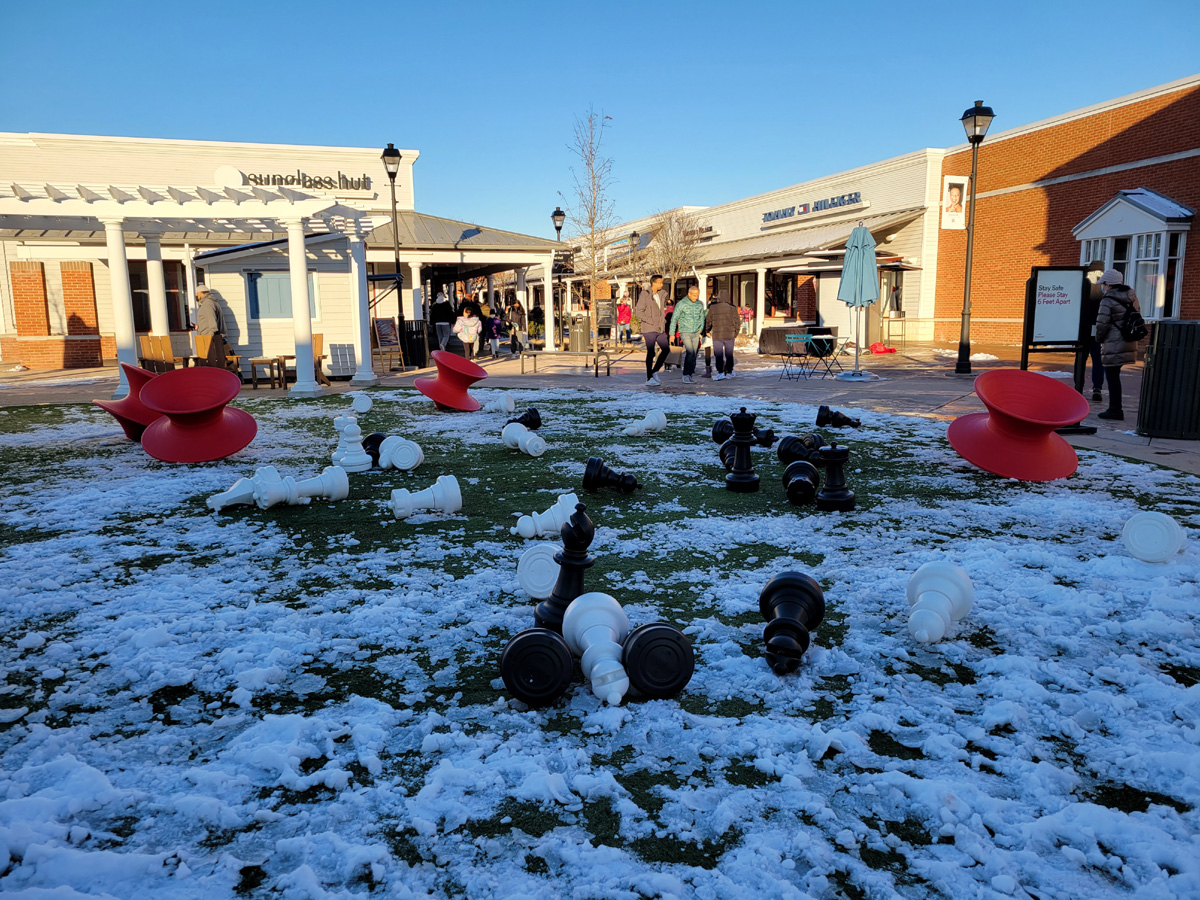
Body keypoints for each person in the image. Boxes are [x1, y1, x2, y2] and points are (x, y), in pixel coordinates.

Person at [1093, 269, 1141, 421]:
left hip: (1113, 342)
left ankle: (1115, 409)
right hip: (1128, 340)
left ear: (1108, 284)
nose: (1102, 287)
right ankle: (1115, 408)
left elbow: (1101, 324)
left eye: (1103, 284)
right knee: (1115, 375)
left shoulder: (1107, 300)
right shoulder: (1132, 297)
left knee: (1112, 376)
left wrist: (1099, 339)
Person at [636, 275, 670, 387]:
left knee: (666, 349)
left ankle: (654, 371)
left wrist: (662, 322)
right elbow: (639, 312)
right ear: (653, 283)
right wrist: (650, 320)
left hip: (660, 328)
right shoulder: (645, 295)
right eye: (660, 282)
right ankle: (649, 377)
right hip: (649, 328)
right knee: (651, 352)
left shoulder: (661, 295)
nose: (662, 284)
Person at [668, 284, 706, 384]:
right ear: (689, 294)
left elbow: (702, 317)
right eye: (694, 295)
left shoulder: (699, 304)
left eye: (697, 295)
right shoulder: (681, 304)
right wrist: (672, 334)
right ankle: (685, 375)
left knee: (694, 353)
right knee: (690, 352)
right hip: (685, 331)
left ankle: (690, 374)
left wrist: (700, 329)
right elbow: (674, 319)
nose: (695, 297)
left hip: (696, 332)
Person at [1083, 263, 1106, 402]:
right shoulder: (1105, 288)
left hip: (1083, 328)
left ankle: (1078, 386)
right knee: (1098, 360)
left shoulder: (1083, 286)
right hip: (1098, 328)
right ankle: (1097, 387)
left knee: (1081, 358)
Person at [705, 288, 740, 380]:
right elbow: (737, 322)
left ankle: (720, 372)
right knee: (729, 354)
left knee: (718, 355)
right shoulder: (733, 308)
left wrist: (707, 330)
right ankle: (729, 371)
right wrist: (735, 333)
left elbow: (708, 320)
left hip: (717, 335)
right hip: (730, 335)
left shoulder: (713, 308)